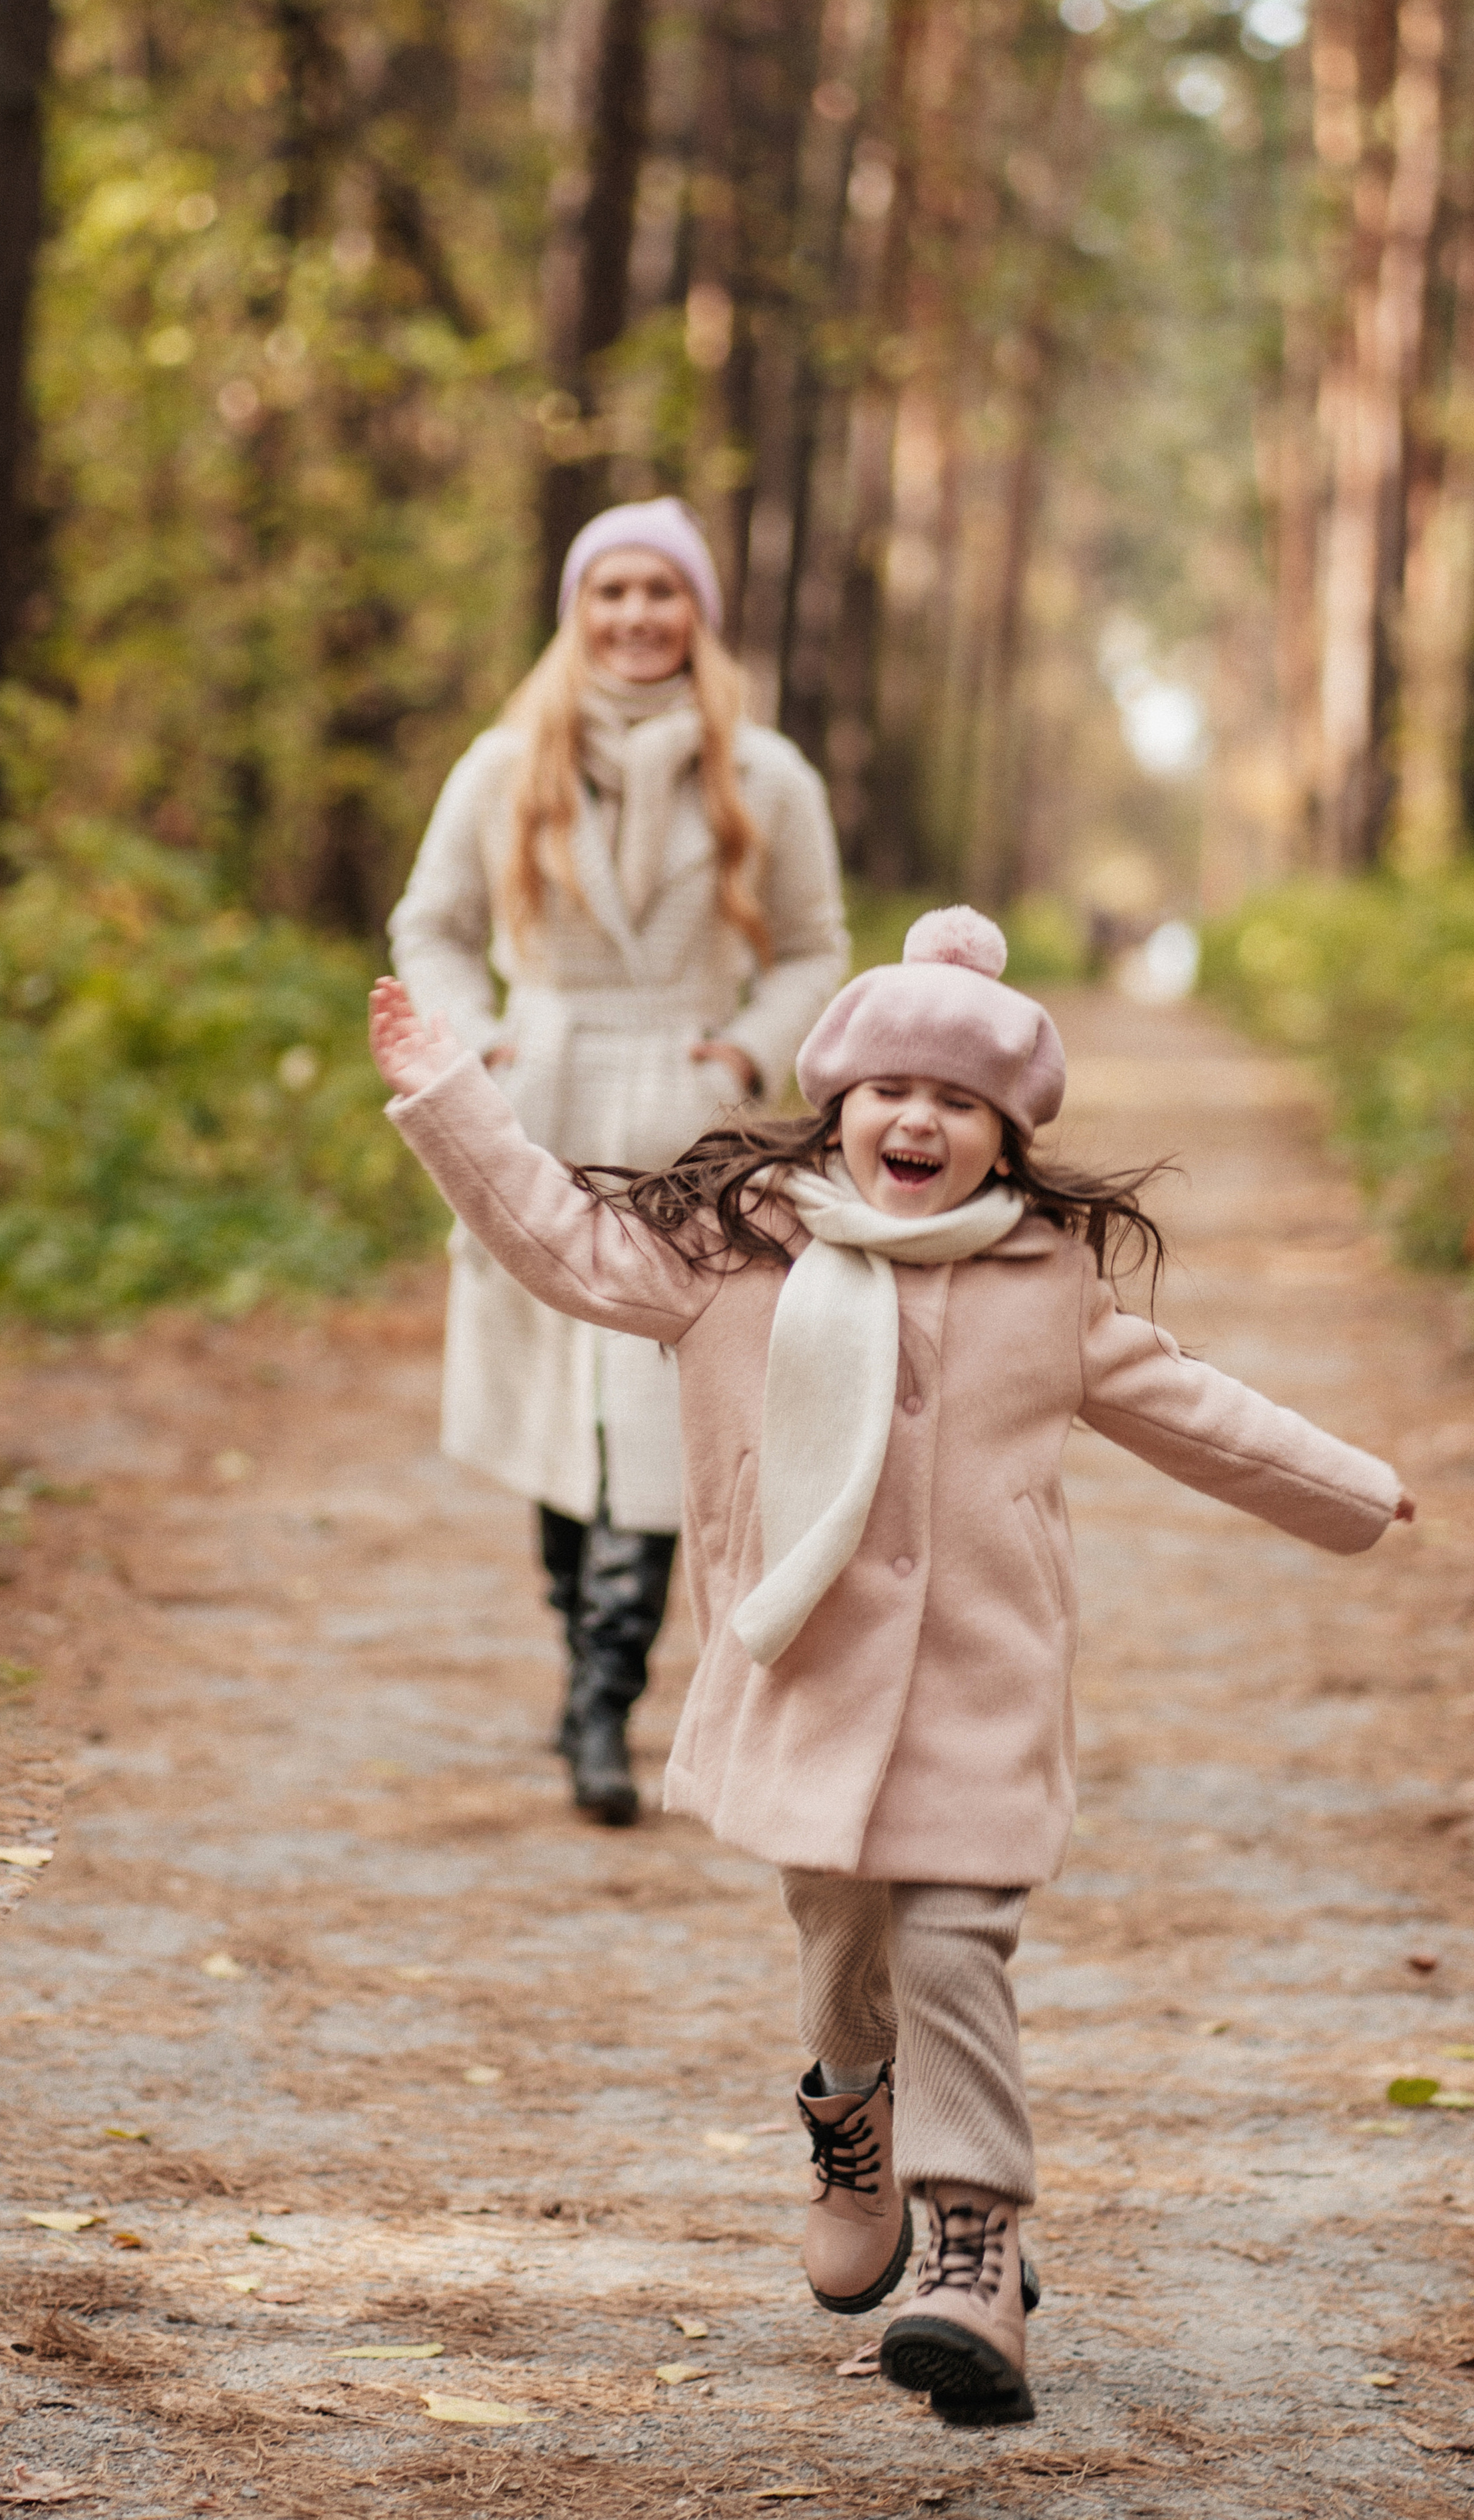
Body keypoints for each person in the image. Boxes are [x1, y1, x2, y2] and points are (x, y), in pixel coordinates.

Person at [367, 906, 1414, 2428]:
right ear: (839, 1107)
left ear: (1005, 1136)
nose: (918, 1121)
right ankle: (850, 2118)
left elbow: (1191, 1407)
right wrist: (451, 1090)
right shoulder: (734, 1255)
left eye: (960, 1104)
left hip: (982, 1692)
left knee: (950, 1944)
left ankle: (976, 2252)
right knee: (846, 1957)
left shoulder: (1041, 1283)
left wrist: (1350, 1489)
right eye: (890, 1094)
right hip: (807, 1682)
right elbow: (559, 1241)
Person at [389, 498, 847, 1825]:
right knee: (554, 1418)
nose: (636, 615)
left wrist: (742, 1055)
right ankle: (577, 1657)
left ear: (695, 612)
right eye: (612, 592)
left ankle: (604, 1701)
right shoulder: (499, 764)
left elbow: (815, 945)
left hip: (692, 1131)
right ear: (576, 610)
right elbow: (430, 923)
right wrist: (477, 1044)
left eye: (661, 591)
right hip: (535, 1104)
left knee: (655, 1416)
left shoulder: (763, 774)